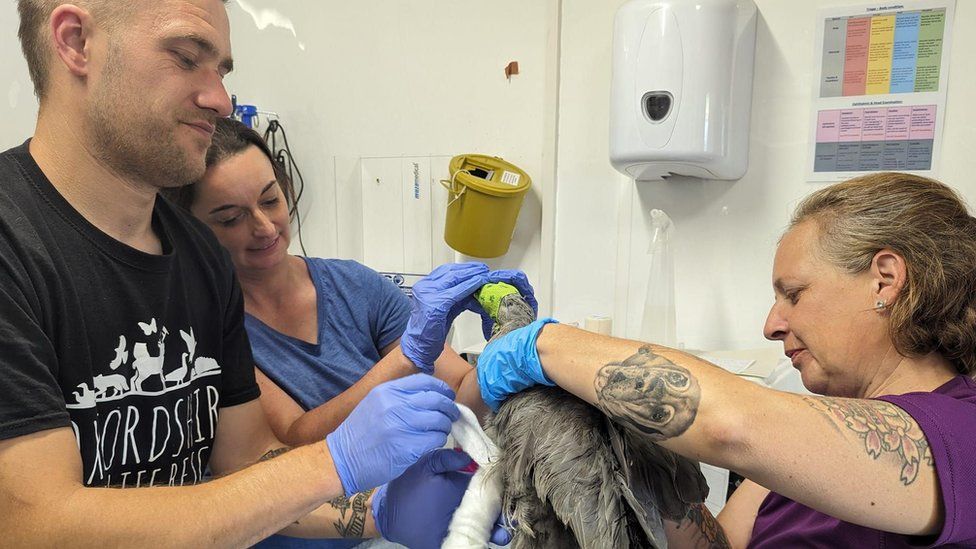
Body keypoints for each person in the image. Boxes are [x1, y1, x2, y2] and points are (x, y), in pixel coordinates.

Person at [0, 1, 488, 546]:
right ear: (76, 42)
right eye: (187, 58)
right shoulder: (14, 243)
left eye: (222, 71)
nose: (220, 100)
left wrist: (379, 513)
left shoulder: (199, 258)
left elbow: (247, 463)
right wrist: (334, 462)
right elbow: (34, 523)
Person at [418, 172, 976, 547]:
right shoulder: (803, 441)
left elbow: (733, 425)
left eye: (795, 293)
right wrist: (635, 476)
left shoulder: (963, 431)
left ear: (885, 279)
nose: (772, 323)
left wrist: (543, 345)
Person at [165, 116, 521, 547]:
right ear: (190, 229)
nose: (263, 227)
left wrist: (505, 360)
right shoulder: (208, 327)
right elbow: (289, 440)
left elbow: (462, 393)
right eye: (230, 219)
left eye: (270, 200)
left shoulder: (354, 287)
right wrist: (406, 358)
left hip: (396, 527)